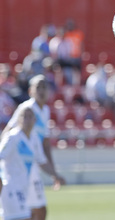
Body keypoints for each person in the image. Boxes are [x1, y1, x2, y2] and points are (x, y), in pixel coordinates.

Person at [1, 74, 65, 220]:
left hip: (32, 163)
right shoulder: (26, 109)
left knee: (38, 210)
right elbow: (8, 131)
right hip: (18, 164)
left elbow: (46, 143)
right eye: (38, 87)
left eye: (44, 87)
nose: (41, 90)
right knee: (31, 210)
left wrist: (53, 172)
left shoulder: (45, 111)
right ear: (31, 91)